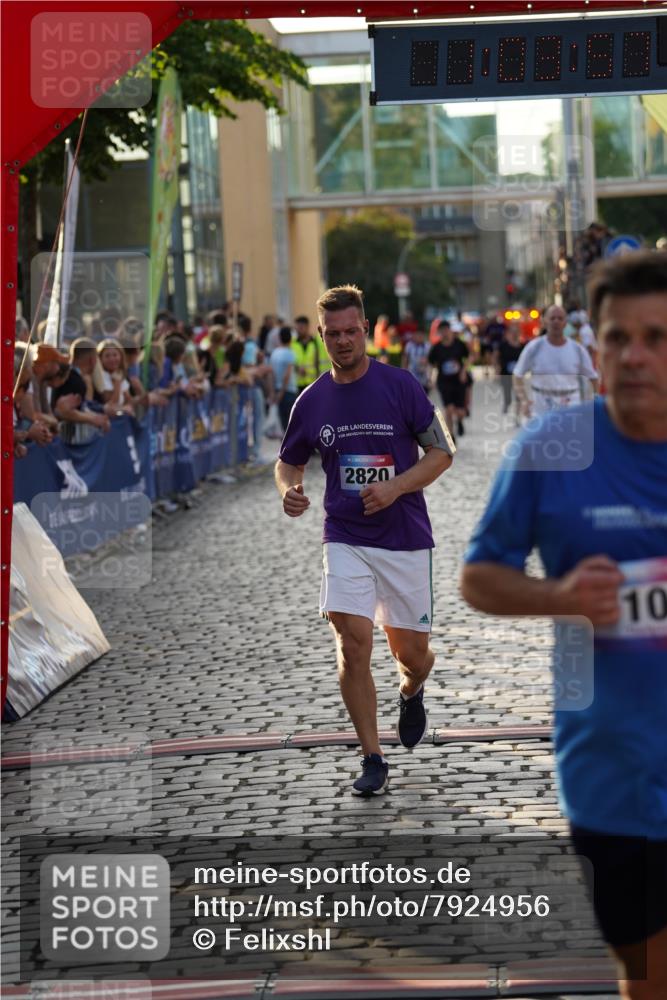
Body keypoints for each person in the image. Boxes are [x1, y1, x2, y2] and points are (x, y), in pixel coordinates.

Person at [460, 250, 667, 1000]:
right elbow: (477, 578)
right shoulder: (551, 450)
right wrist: (563, 597)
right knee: (647, 980)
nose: (635, 355)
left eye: (656, 337)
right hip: (611, 777)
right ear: (594, 346)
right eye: (618, 338)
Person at [274, 285, 454, 796]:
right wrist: (289, 489)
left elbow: (442, 452)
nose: (343, 341)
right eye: (333, 334)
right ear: (321, 336)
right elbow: (288, 462)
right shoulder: (310, 401)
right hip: (345, 535)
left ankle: (412, 688)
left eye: (352, 331)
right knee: (353, 644)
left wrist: (397, 486)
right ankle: (372, 756)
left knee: (412, 654)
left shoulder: (401, 386)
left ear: (365, 329)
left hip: (404, 537)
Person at [513, 304, 598, 419]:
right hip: (541, 407)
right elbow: (517, 375)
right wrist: (524, 401)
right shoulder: (534, 348)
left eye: (560, 318)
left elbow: (592, 378)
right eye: (552, 318)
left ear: (565, 322)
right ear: (544, 321)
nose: (556, 322)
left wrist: (591, 403)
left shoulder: (577, 349)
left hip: (571, 406)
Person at [428, 319, 469, 440]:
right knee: (449, 410)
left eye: (446, 330)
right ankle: (451, 435)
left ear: (450, 331)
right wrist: (431, 378)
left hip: (458, 381)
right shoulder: (436, 348)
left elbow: (468, 357)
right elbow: (431, 364)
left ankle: (460, 421)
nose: (444, 333)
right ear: (439, 333)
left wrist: (463, 371)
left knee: (460, 411)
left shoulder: (459, 344)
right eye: (442, 331)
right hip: (444, 381)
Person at [270, 326, 297, 430]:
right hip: (288, 391)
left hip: (277, 390)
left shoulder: (274, 353)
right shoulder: (290, 353)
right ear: (290, 338)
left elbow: (271, 374)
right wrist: (282, 392)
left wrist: (273, 392)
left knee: (283, 424)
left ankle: (284, 445)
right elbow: (287, 375)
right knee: (291, 424)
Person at [494, 322, 523, 419]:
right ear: (509, 333)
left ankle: (517, 417)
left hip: (517, 376)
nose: (515, 334)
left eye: (516, 332)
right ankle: (507, 403)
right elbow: (496, 357)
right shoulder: (503, 346)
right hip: (505, 374)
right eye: (513, 332)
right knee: (508, 397)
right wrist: (497, 370)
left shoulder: (522, 346)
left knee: (519, 395)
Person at [292, 315, 321, 395]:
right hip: (298, 384)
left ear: (307, 327)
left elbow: (318, 362)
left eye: (301, 328)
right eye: (297, 328)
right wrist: (297, 368)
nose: (298, 330)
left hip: (313, 382)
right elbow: (291, 362)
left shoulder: (316, 342)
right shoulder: (292, 344)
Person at [402, 328, 431, 392]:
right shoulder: (409, 345)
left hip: (424, 376)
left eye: (421, 336)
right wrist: (404, 372)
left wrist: (426, 361)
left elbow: (431, 360)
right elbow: (405, 359)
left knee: (424, 395)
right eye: (417, 335)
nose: (419, 337)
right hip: (413, 374)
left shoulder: (427, 346)